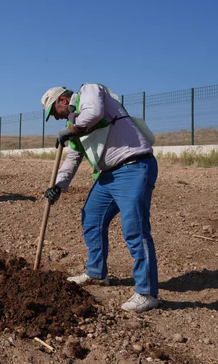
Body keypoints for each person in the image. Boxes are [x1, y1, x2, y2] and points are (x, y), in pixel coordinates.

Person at [41, 83, 159, 313]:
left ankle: (147, 293)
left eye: (54, 112)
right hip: (108, 175)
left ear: (63, 101)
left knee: (135, 229)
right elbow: (73, 158)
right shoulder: (72, 122)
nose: (56, 118)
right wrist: (58, 185)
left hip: (133, 165)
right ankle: (96, 274)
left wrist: (72, 129)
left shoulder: (90, 91)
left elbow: (93, 113)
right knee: (91, 217)